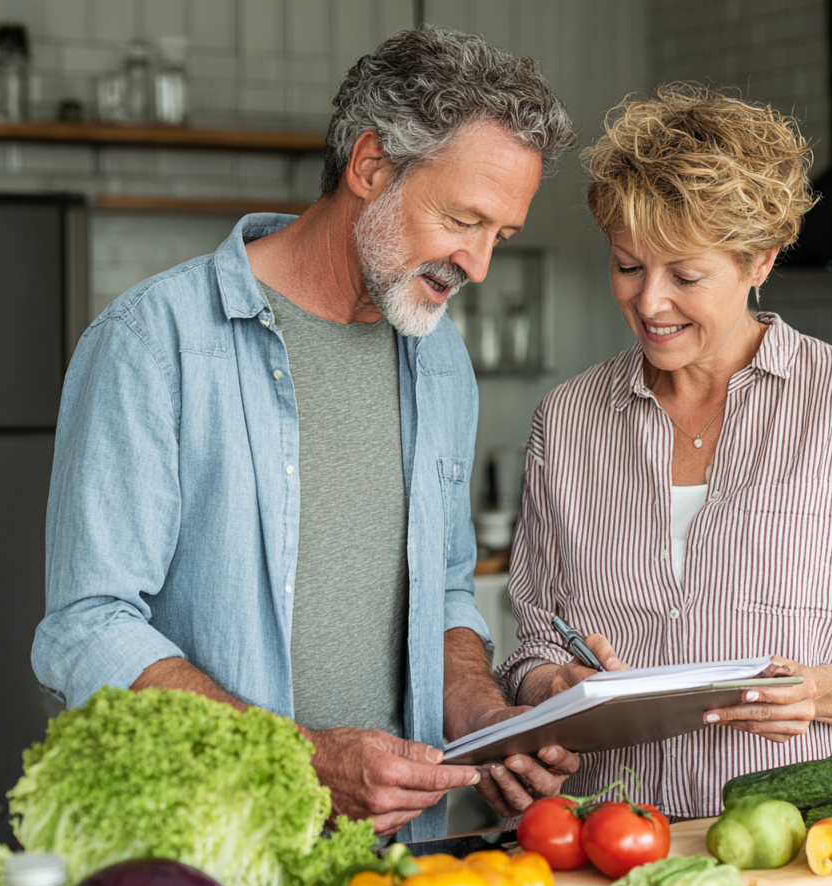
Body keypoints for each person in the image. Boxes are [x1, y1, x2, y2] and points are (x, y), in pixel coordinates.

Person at [32, 27, 580, 841]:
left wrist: (484, 718)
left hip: (406, 863)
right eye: (463, 219)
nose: (480, 264)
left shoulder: (440, 358)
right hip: (213, 858)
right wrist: (295, 761)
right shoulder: (156, 341)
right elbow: (89, 626)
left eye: (500, 234)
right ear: (369, 167)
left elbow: (446, 593)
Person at [497, 84, 832, 818]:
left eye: (686, 276)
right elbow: (528, 646)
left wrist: (815, 692)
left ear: (760, 261)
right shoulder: (566, 424)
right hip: (607, 839)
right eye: (628, 265)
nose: (650, 302)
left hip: (791, 845)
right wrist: (548, 686)